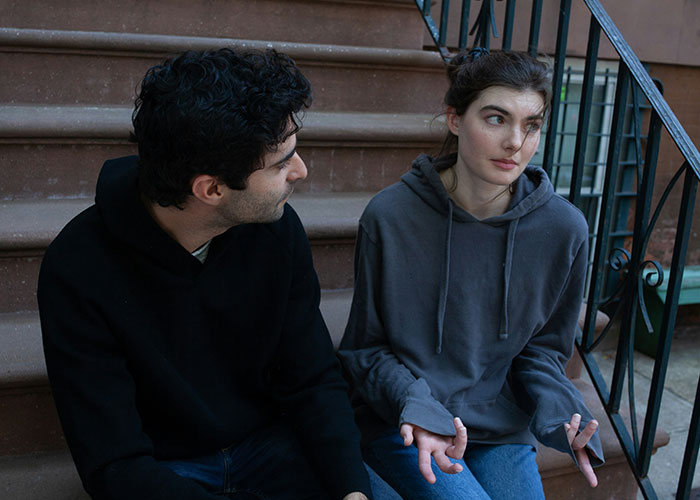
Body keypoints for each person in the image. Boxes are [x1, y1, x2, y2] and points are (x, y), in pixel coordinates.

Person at [38, 48, 377, 500]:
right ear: (211, 188)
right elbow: (114, 463)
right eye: (281, 163)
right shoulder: (79, 267)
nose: (301, 171)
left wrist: (351, 490)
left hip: (271, 448)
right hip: (165, 471)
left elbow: (312, 379)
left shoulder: (275, 231)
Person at [337, 48, 605, 500]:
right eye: (497, 119)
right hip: (407, 417)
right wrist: (416, 405)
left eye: (532, 125)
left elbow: (543, 352)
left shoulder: (563, 229)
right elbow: (366, 349)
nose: (515, 142)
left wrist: (563, 412)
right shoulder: (391, 216)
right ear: (455, 119)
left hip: (499, 427)